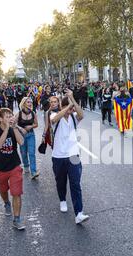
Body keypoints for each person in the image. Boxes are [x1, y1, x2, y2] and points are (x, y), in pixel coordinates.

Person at [50, 90, 89, 225]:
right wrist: (66, 106)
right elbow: (54, 119)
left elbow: (81, 115)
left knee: (75, 184)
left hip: (73, 155)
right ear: (62, 107)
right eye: (69, 108)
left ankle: (79, 213)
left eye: (71, 108)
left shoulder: (73, 117)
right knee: (61, 182)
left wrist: (72, 98)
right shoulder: (54, 115)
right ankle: (62, 200)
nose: (71, 110)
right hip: (58, 156)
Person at [0, 108, 26, 231]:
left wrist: (14, 128)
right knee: (3, 189)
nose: (10, 117)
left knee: (16, 192)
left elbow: (21, 142)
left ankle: (17, 219)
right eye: (7, 116)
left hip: (14, 166)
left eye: (11, 115)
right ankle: (6, 203)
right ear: (0, 119)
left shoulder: (14, 129)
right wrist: (7, 129)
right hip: (0, 168)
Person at [17, 97, 40, 179]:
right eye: (28, 102)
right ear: (24, 103)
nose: (30, 104)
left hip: (31, 135)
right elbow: (13, 124)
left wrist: (31, 126)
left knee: (31, 153)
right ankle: (26, 165)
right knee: (23, 153)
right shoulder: (19, 113)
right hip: (21, 136)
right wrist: (21, 128)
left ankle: (33, 172)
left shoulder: (33, 113)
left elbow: (36, 124)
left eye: (31, 102)